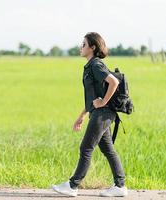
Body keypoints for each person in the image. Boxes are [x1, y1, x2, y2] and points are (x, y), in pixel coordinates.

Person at [52, 32, 128, 197]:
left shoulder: (96, 65)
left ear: (93, 47)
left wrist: (103, 102)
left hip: (103, 113)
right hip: (99, 113)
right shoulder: (90, 66)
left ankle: (73, 186)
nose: (81, 47)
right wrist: (82, 115)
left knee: (86, 147)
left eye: (84, 44)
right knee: (108, 149)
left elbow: (113, 82)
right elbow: (93, 97)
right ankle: (120, 186)